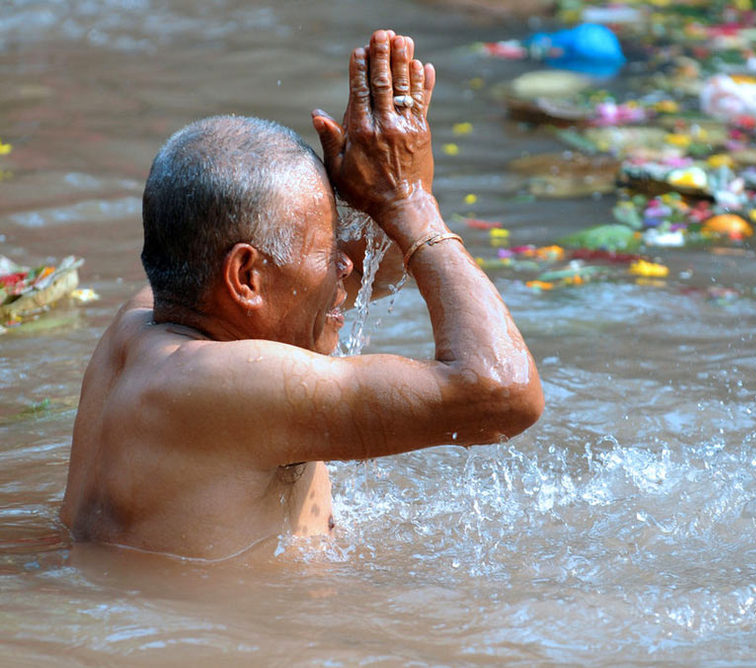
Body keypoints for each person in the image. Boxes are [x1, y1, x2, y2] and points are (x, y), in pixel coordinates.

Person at [60, 30, 544, 561]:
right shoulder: (213, 384)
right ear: (245, 276)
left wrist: (388, 188)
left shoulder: (146, 321)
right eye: (327, 248)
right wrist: (412, 205)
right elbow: (503, 393)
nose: (347, 264)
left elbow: (374, 274)